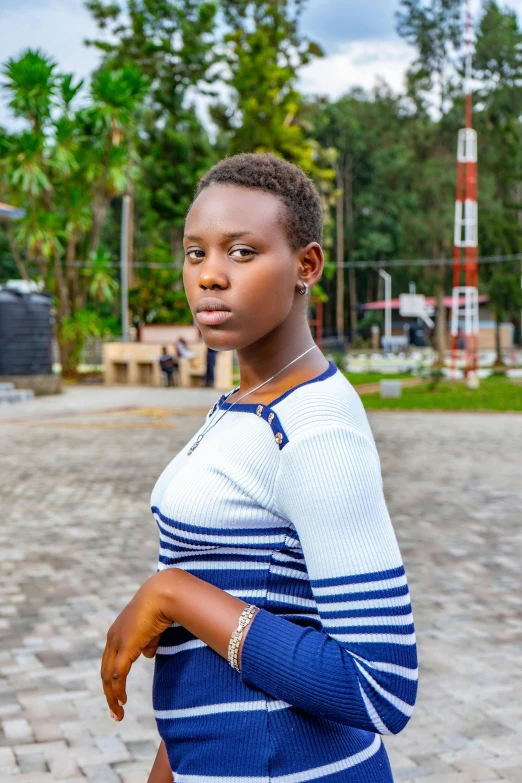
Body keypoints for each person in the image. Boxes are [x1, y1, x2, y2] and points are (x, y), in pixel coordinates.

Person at [101, 153, 418, 783]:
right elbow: (227, 634)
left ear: (307, 265)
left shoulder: (316, 427)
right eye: (196, 253)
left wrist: (174, 594)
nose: (210, 276)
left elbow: (382, 687)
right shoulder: (244, 402)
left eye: (241, 252)